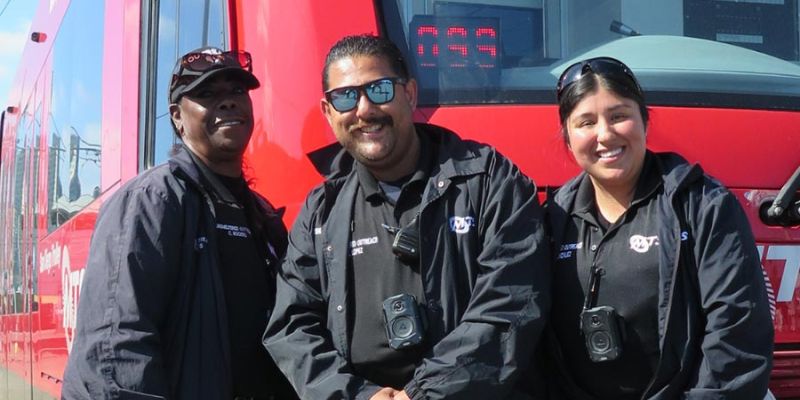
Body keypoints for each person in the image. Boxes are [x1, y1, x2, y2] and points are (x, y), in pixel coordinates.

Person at [263, 34, 551, 400]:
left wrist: (423, 394)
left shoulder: (490, 179)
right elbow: (291, 327)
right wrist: (356, 396)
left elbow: (513, 301)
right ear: (328, 111)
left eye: (380, 89)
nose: (364, 109)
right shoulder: (321, 211)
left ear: (410, 94)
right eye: (345, 97)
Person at [62, 47, 297, 400]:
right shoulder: (151, 201)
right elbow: (116, 351)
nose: (229, 102)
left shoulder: (261, 213)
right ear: (177, 118)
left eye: (237, 91)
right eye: (206, 94)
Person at [543, 56, 774, 399]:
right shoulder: (552, 219)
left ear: (645, 122)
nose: (605, 135)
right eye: (586, 122)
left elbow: (737, 334)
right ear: (567, 137)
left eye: (619, 116)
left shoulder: (702, 204)